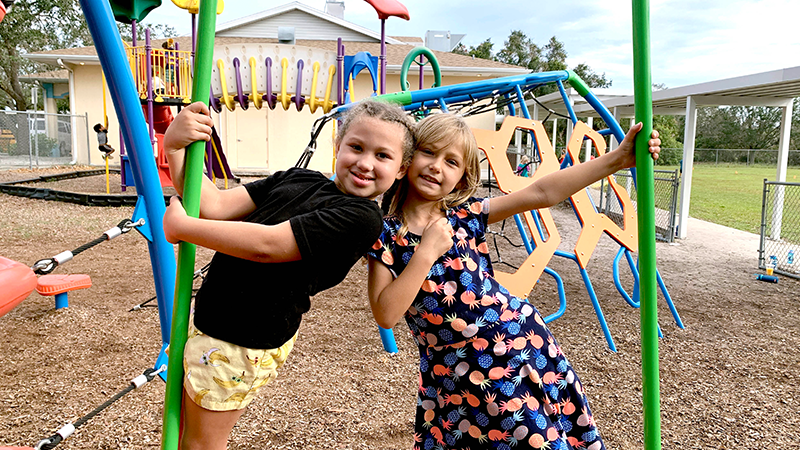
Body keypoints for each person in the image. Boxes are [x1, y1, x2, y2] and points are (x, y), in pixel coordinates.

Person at [367, 113, 660, 450]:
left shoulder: (466, 215)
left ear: (462, 179)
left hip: (523, 345)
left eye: (451, 161)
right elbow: (385, 314)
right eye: (428, 152)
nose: (436, 166)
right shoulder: (385, 234)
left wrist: (617, 159)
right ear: (407, 160)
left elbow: (543, 192)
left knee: (544, 437)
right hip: (461, 372)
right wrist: (425, 253)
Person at [162, 100, 415, 450]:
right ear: (337, 146)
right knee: (182, 431)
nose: (364, 162)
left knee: (200, 444)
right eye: (356, 147)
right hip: (215, 323)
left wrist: (185, 229)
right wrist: (174, 146)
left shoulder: (360, 218)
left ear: (401, 169)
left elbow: (267, 246)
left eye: (382, 156)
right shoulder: (298, 178)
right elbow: (213, 205)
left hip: (243, 338)